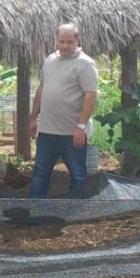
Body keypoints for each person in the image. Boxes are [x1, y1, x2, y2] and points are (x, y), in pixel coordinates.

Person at [28, 23, 98, 197]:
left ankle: (75, 213)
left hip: (72, 133)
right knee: (40, 173)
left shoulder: (85, 64)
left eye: (69, 41)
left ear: (77, 40)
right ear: (56, 41)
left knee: (77, 174)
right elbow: (42, 89)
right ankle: (35, 211)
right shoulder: (50, 60)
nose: (65, 45)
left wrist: (81, 127)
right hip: (46, 131)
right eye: (62, 41)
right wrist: (33, 118)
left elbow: (90, 95)